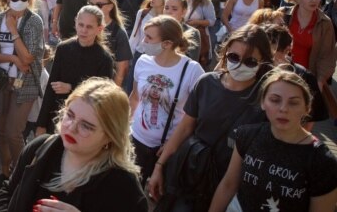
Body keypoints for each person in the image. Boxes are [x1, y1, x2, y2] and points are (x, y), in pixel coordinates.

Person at [148, 25, 272, 211]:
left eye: (250, 61)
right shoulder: (207, 82)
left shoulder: (265, 99)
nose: (239, 65)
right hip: (191, 174)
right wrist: (159, 166)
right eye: (234, 57)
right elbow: (184, 128)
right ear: (225, 53)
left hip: (231, 185)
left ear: (262, 62)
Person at [0, 78, 147, 212]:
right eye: (70, 115)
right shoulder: (39, 148)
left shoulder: (124, 188)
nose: (71, 127)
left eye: (86, 126)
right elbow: (8, 191)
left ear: (110, 136)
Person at [209, 69, 337, 211]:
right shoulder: (247, 135)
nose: (283, 108)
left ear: (307, 108)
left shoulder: (322, 161)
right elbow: (228, 185)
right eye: (275, 100)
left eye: (293, 103)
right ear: (263, 102)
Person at [0, 0, 45, 191]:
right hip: (0, 83)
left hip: (24, 84)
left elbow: (28, 59)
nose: (19, 0)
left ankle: (22, 174)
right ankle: (6, 173)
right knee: (0, 132)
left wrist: (13, 30)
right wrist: (12, 59)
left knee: (13, 132)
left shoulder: (33, 21)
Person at [129, 16, 204, 185]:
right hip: (137, 140)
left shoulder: (192, 70)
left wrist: (175, 143)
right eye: (144, 35)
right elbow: (135, 97)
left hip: (168, 148)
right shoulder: (143, 61)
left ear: (167, 44)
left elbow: (195, 116)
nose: (144, 41)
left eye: (149, 37)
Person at [36, 6, 114, 134]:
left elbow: (102, 97)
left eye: (89, 27)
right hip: (57, 117)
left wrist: (72, 88)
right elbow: (51, 88)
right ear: (75, 23)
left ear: (99, 29)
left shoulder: (104, 59)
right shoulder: (63, 48)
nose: (84, 30)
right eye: (81, 24)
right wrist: (41, 123)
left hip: (84, 122)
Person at [279, 0, 336, 95]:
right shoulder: (282, 15)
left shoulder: (325, 22)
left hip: (307, 78)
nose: (314, 0)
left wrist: (319, 80)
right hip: (279, 73)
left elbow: (327, 56)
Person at [181, 0, 217, 67]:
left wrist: (196, 22)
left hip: (196, 37)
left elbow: (212, 21)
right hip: (179, 35)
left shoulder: (204, 2)